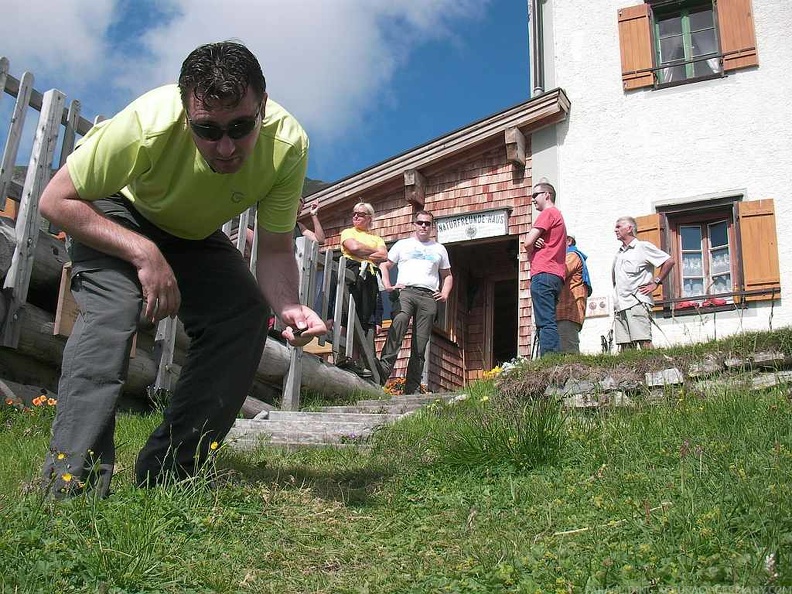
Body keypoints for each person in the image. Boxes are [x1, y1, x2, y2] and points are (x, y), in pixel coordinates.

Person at [38, 41, 326, 498]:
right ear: (185, 112)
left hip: (190, 235)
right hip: (116, 211)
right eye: (208, 130)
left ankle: (172, 473)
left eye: (241, 126)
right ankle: (70, 487)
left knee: (244, 314)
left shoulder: (288, 147)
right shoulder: (146, 125)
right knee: (114, 312)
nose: (226, 146)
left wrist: (288, 303)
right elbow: (55, 201)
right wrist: (144, 254)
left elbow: (273, 248)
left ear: (263, 108)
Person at [378, 211, 453, 395]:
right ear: (414, 224)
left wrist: (444, 294)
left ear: (432, 226)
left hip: (428, 297)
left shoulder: (439, 249)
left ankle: (411, 390)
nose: (423, 226)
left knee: (420, 344)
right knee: (399, 324)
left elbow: (448, 275)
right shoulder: (403, 245)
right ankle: (378, 380)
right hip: (406, 292)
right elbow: (384, 265)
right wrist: (388, 285)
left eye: (427, 223)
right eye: (420, 223)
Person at [338, 201, 388, 376]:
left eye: (360, 214)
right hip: (352, 271)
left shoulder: (377, 238)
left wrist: (362, 251)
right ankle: (342, 357)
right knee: (346, 314)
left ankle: (356, 361)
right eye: (354, 213)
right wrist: (369, 252)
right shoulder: (347, 232)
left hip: (370, 276)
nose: (355, 216)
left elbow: (384, 255)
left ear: (369, 218)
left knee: (363, 319)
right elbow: (353, 247)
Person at [613, 216, 674, 350]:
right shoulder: (620, 253)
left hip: (636, 302)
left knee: (644, 341)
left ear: (629, 228)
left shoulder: (642, 247)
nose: (615, 230)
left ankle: (655, 368)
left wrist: (656, 282)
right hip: (620, 305)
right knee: (625, 347)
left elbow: (669, 261)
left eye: (618, 226)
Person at [523, 181, 567, 356]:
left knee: (544, 321)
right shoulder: (559, 217)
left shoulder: (548, 213)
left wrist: (532, 244)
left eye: (535, 195)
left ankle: (549, 359)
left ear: (547, 195)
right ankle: (550, 358)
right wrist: (536, 242)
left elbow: (527, 242)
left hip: (543, 273)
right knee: (549, 318)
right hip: (556, 276)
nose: (533, 199)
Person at [556, 235, 592, 354]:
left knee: (568, 351)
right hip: (564, 311)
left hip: (568, 311)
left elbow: (560, 273)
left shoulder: (571, 256)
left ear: (569, 241)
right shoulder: (570, 256)